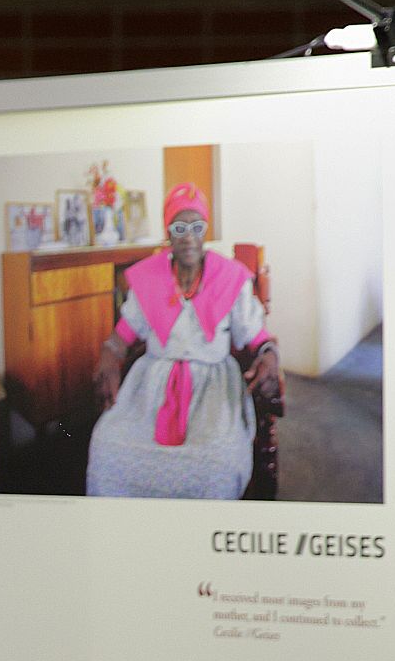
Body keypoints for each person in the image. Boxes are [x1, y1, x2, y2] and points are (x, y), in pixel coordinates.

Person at [87, 183, 281, 500]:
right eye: (179, 228)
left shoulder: (230, 278)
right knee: (109, 446)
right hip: (152, 385)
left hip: (213, 386)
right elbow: (121, 337)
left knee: (216, 459)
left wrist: (269, 356)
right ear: (168, 233)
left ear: (206, 231)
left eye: (197, 227)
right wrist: (108, 357)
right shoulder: (149, 278)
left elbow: (258, 337)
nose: (189, 236)